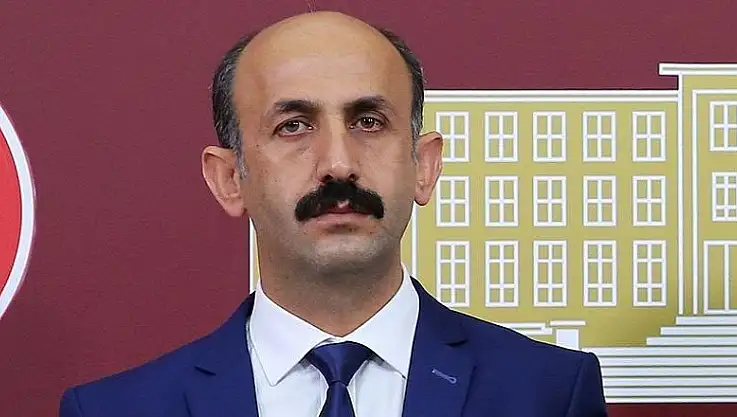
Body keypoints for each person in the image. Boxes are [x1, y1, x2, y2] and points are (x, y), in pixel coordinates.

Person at [59, 10, 608, 417]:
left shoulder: (548, 394)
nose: (339, 164)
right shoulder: (115, 410)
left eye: (369, 122)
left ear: (423, 166)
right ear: (229, 179)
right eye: (294, 126)